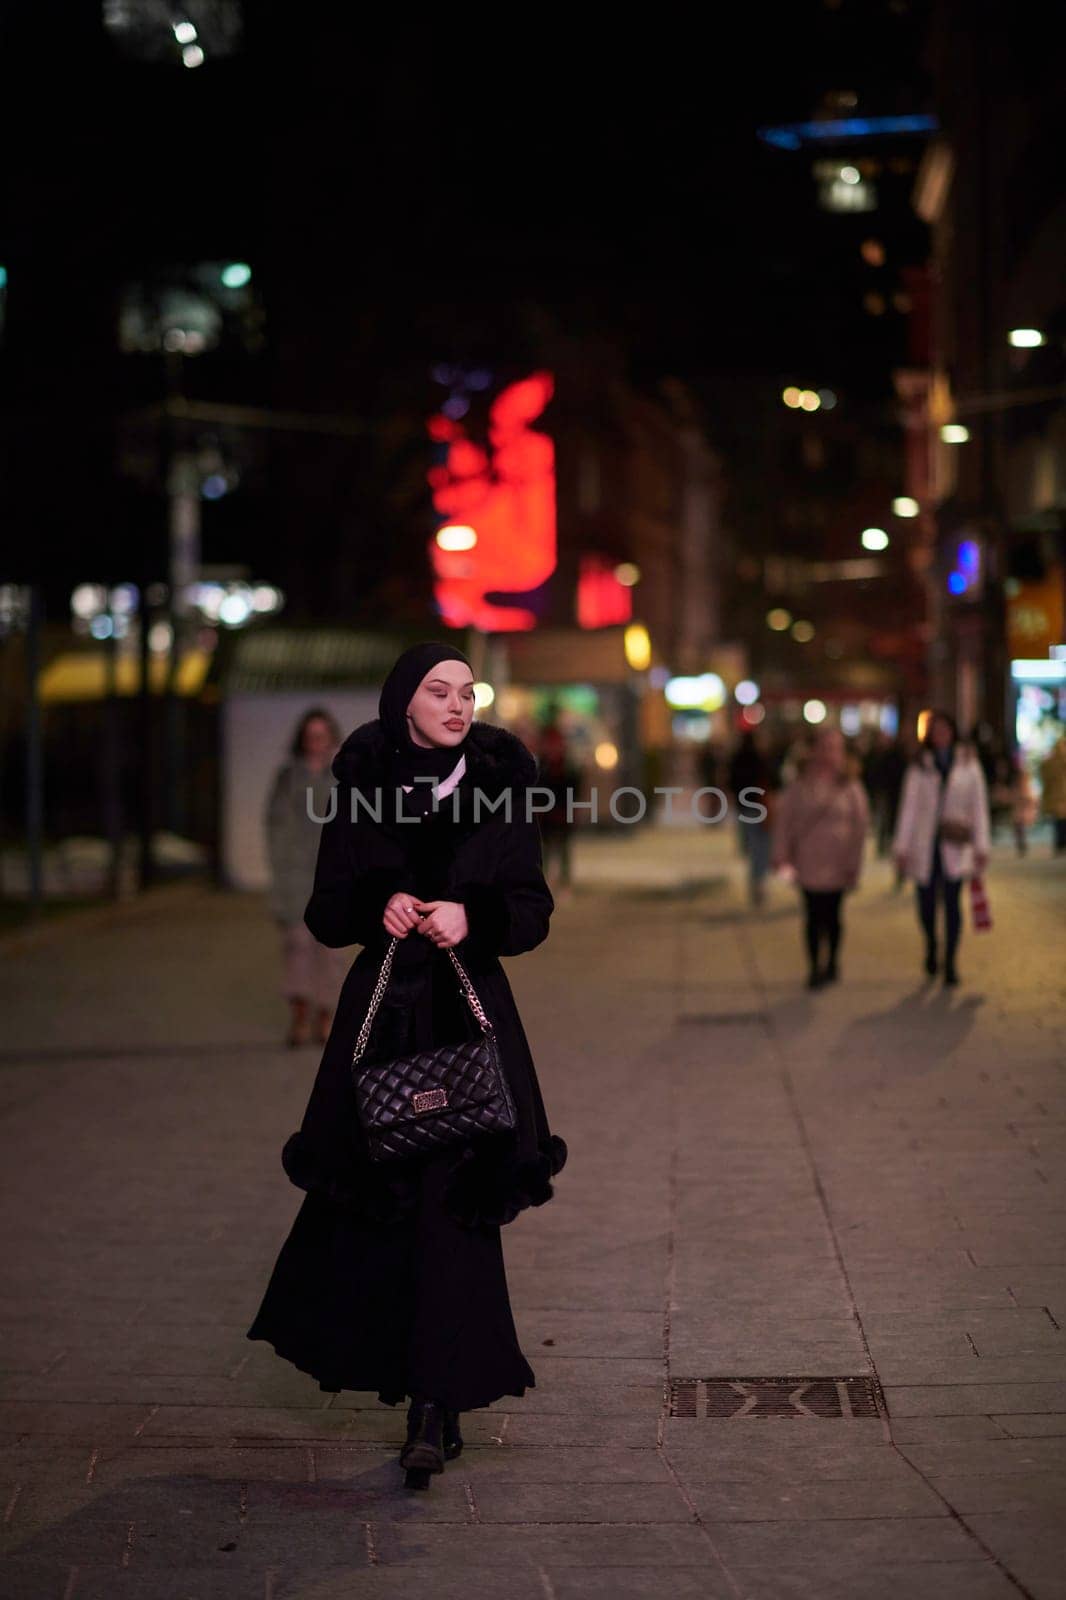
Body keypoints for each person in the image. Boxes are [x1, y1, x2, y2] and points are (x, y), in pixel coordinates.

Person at [246, 642, 567, 1491]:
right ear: (404, 703)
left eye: (468, 692)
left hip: (467, 1018)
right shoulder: (360, 788)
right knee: (383, 1209)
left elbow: (532, 906)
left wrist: (478, 915)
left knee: (453, 1207)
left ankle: (435, 1406)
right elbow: (324, 908)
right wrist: (374, 903)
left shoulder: (500, 786)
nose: (459, 705)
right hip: (384, 1023)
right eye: (439, 691)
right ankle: (411, 1385)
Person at [265, 708, 349, 1047]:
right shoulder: (288, 778)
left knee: (330, 952)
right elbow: (276, 827)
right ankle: (299, 1017)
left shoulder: (342, 777)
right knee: (298, 947)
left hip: (334, 877)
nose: (316, 742)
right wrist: (280, 876)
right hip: (296, 876)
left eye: (322, 735)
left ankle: (325, 1018)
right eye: (310, 736)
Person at [893, 710, 990, 986]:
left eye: (945, 729)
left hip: (954, 844)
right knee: (925, 904)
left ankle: (951, 961)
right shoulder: (919, 767)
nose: (941, 735)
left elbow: (979, 808)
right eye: (935, 730)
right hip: (925, 845)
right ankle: (931, 946)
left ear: (953, 732)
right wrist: (901, 847)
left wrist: (982, 845)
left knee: (951, 903)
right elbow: (908, 810)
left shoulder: (968, 764)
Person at [772, 727, 869, 987]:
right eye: (824, 747)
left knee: (834, 915)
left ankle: (832, 961)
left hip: (839, 861)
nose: (829, 753)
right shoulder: (799, 784)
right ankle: (815, 966)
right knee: (813, 915)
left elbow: (860, 828)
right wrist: (781, 856)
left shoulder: (851, 785)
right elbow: (784, 822)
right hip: (809, 860)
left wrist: (854, 863)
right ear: (813, 750)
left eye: (834, 748)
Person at [535, 713, 581, 896]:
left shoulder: (567, 767)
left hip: (562, 813)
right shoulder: (542, 766)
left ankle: (564, 883)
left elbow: (574, 789)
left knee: (563, 849)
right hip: (545, 814)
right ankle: (544, 883)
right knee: (544, 851)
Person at [727, 730, 774, 907]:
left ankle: (756, 881)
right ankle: (758, 880)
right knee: (760, 846)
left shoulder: (737, 758)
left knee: (752, 843)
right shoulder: (759, 759)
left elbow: (731, 781)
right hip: (759, 806)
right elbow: (768, 782)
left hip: (744, 807)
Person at [1040, 734, 1066, 854]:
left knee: (1059, 820)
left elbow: (1044, 771)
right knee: (1060, 820)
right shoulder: (1057, 761)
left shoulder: (1050, 762)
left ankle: (1060, 843)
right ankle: (1060, 843)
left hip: (1057, 794)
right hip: (1059, 794)